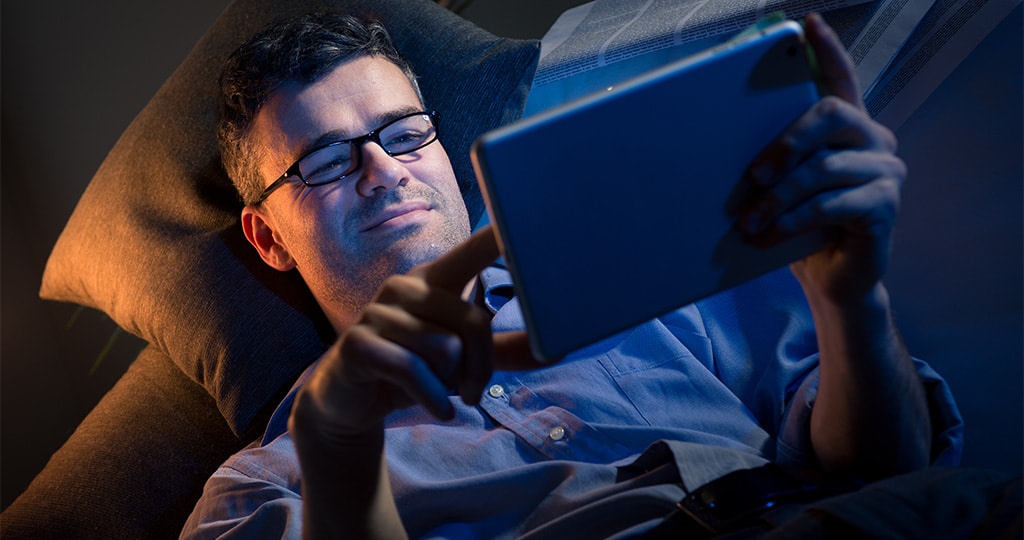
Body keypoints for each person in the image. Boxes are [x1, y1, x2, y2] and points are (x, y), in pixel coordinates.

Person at [182, 11, 963, 539]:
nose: (384, 170)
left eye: (404, 132)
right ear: (268, 236)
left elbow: (887, 470)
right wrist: (338, 449)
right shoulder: (264, 491)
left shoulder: (653, 277)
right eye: (324, 159)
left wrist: (850, 299)